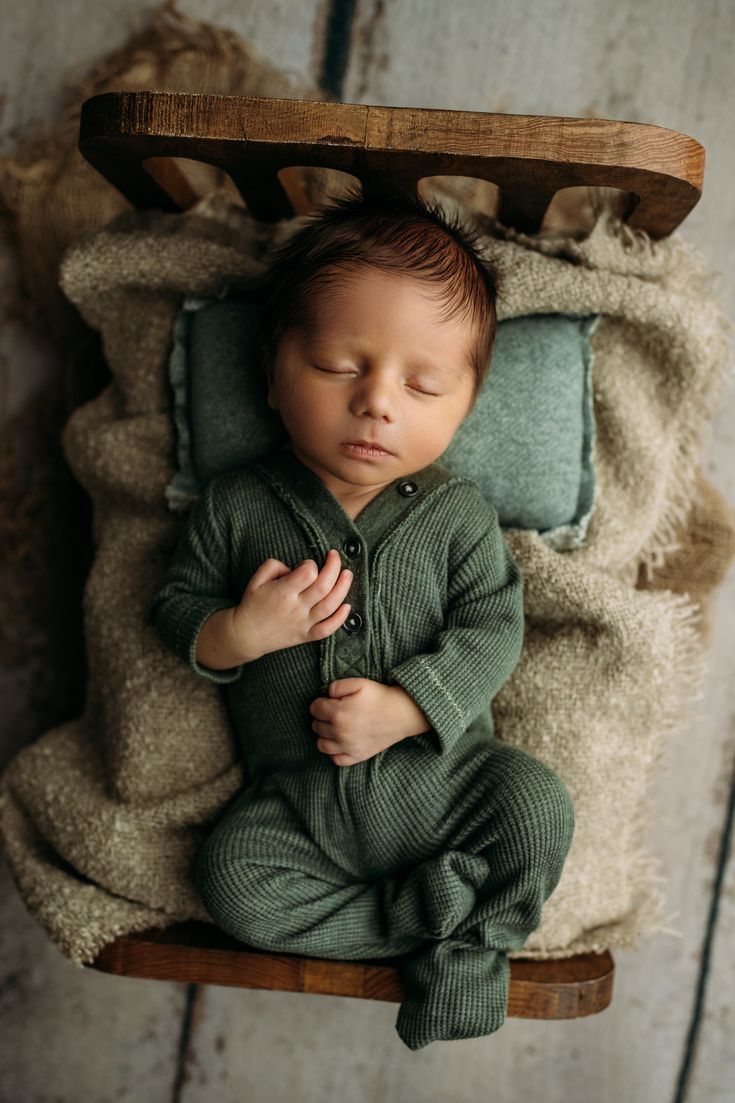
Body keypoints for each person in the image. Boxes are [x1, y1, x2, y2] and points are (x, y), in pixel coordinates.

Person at [149, 186, 575, 1051]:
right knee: (231, 882)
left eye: (422, 384)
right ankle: (422, 920)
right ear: (273, 371)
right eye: (341, 365)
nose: (378, 401)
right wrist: (240, 631)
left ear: (463, 406)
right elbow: (175, 607)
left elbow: (493, 626)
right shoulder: (238, 506)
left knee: (537, 806)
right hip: (298, 807)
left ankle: (470, 949)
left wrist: (410, 706)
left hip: (450, 787)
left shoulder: (457, 516)